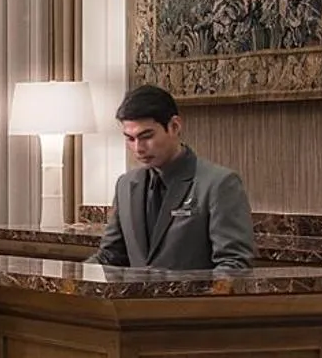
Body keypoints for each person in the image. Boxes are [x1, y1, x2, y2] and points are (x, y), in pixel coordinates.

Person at [91, 85, 253, 273]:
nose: (138, 148)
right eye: (130, 139)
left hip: (194, 294)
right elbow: (110, 257)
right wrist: (69, 278)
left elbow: (234, 266)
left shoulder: (219, 184)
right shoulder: (125, 185)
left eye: (146, 136)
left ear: (174, 126)